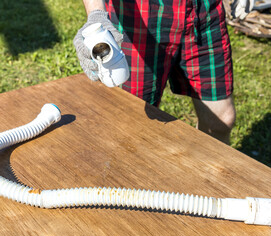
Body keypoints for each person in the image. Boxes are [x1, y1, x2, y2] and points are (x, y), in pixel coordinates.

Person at [74, 0, 254, 145]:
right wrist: (96, 14)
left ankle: (206, 185)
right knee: (131, 127)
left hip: (203, 10)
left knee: (221, 120)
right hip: (140, 16)